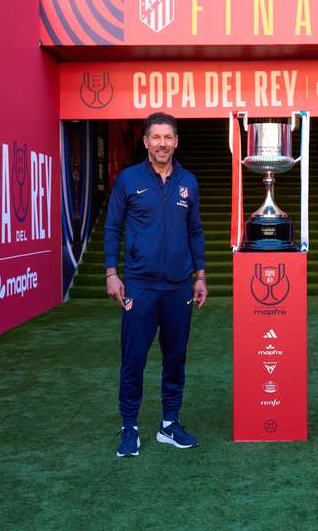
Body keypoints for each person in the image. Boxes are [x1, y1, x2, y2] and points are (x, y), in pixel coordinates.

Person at [104, 112, 208, 458]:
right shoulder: (128, 179)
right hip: (139, 286)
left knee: (175, 358)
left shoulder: (188, 182)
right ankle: (129, 426)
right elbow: (112, 227)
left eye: (168, 137)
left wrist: (200, 275)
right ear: (146, 141)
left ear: (176, 141)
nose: (162, 143)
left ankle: (169, 424)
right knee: (133, 358)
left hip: (179, 287)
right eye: (156, 137)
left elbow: (195, 230)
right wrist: (111, 273)